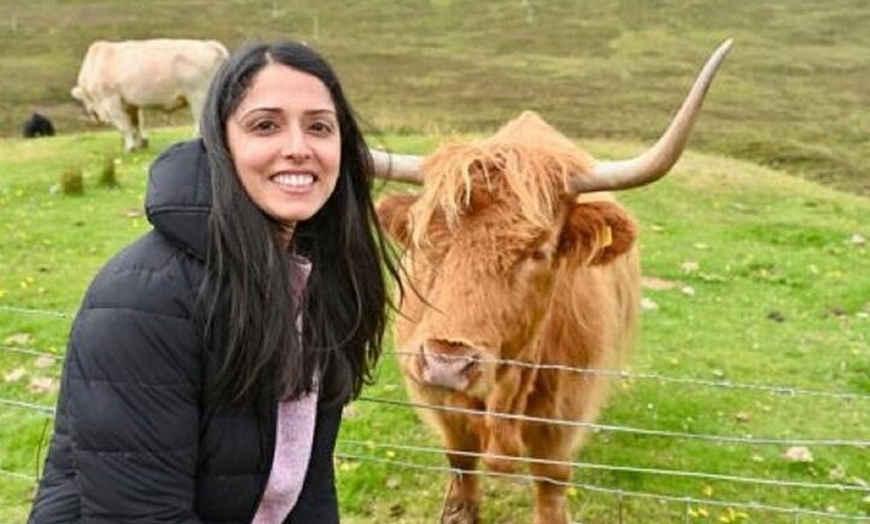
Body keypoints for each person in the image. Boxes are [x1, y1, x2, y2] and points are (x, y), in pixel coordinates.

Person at [28, 40, 403, 523]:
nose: (298, 148)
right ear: (220, 142)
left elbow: (307, 486)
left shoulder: (318, 279)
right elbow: (142, 516)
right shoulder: (143, 301)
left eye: (319, 127)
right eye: (265, 125)